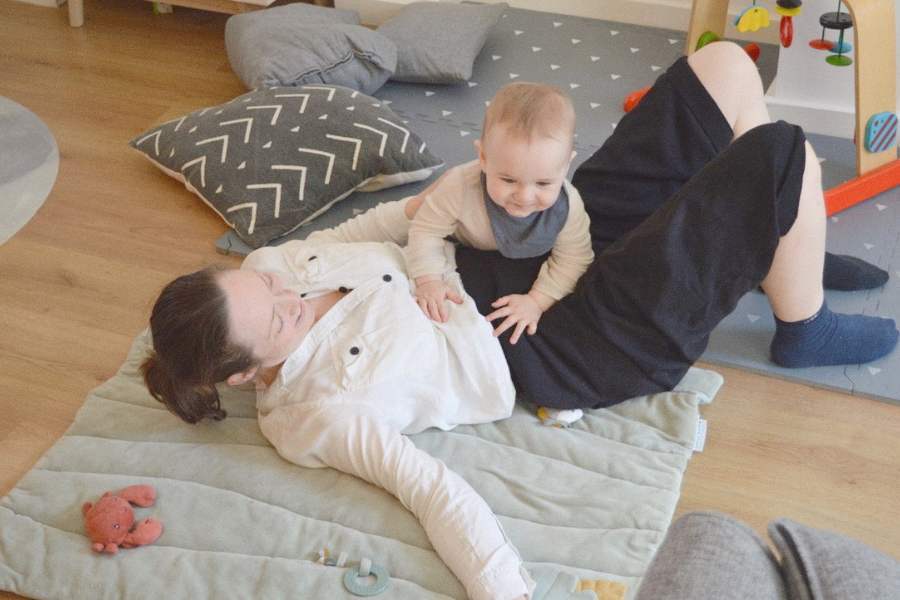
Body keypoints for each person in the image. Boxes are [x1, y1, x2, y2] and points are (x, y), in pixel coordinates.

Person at [142, 42, 897, 600]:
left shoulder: (271, 270)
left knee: (728, 66)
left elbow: (357, 230)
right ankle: (804, 319)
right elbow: (428, 489)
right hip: (566, 343)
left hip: (527, 250)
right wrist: (506, 591)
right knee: (781, 152)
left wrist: (428, 205)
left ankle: (780, 242)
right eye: (278, 319)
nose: (290, 295)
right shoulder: (317, 415)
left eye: (266, 284)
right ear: (246, 374)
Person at [407, 82, 593, 352]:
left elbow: (574, 259)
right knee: (401, 219)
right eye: (508, 179)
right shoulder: (461, 186)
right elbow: (426, 231)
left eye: (543, 183)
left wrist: (537, 301)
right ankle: (327, 240)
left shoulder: (568, 206)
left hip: (487, 243)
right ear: (483, 157)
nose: (525, 196)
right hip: (453, 223)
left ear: (566, 165)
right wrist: (429, 280)